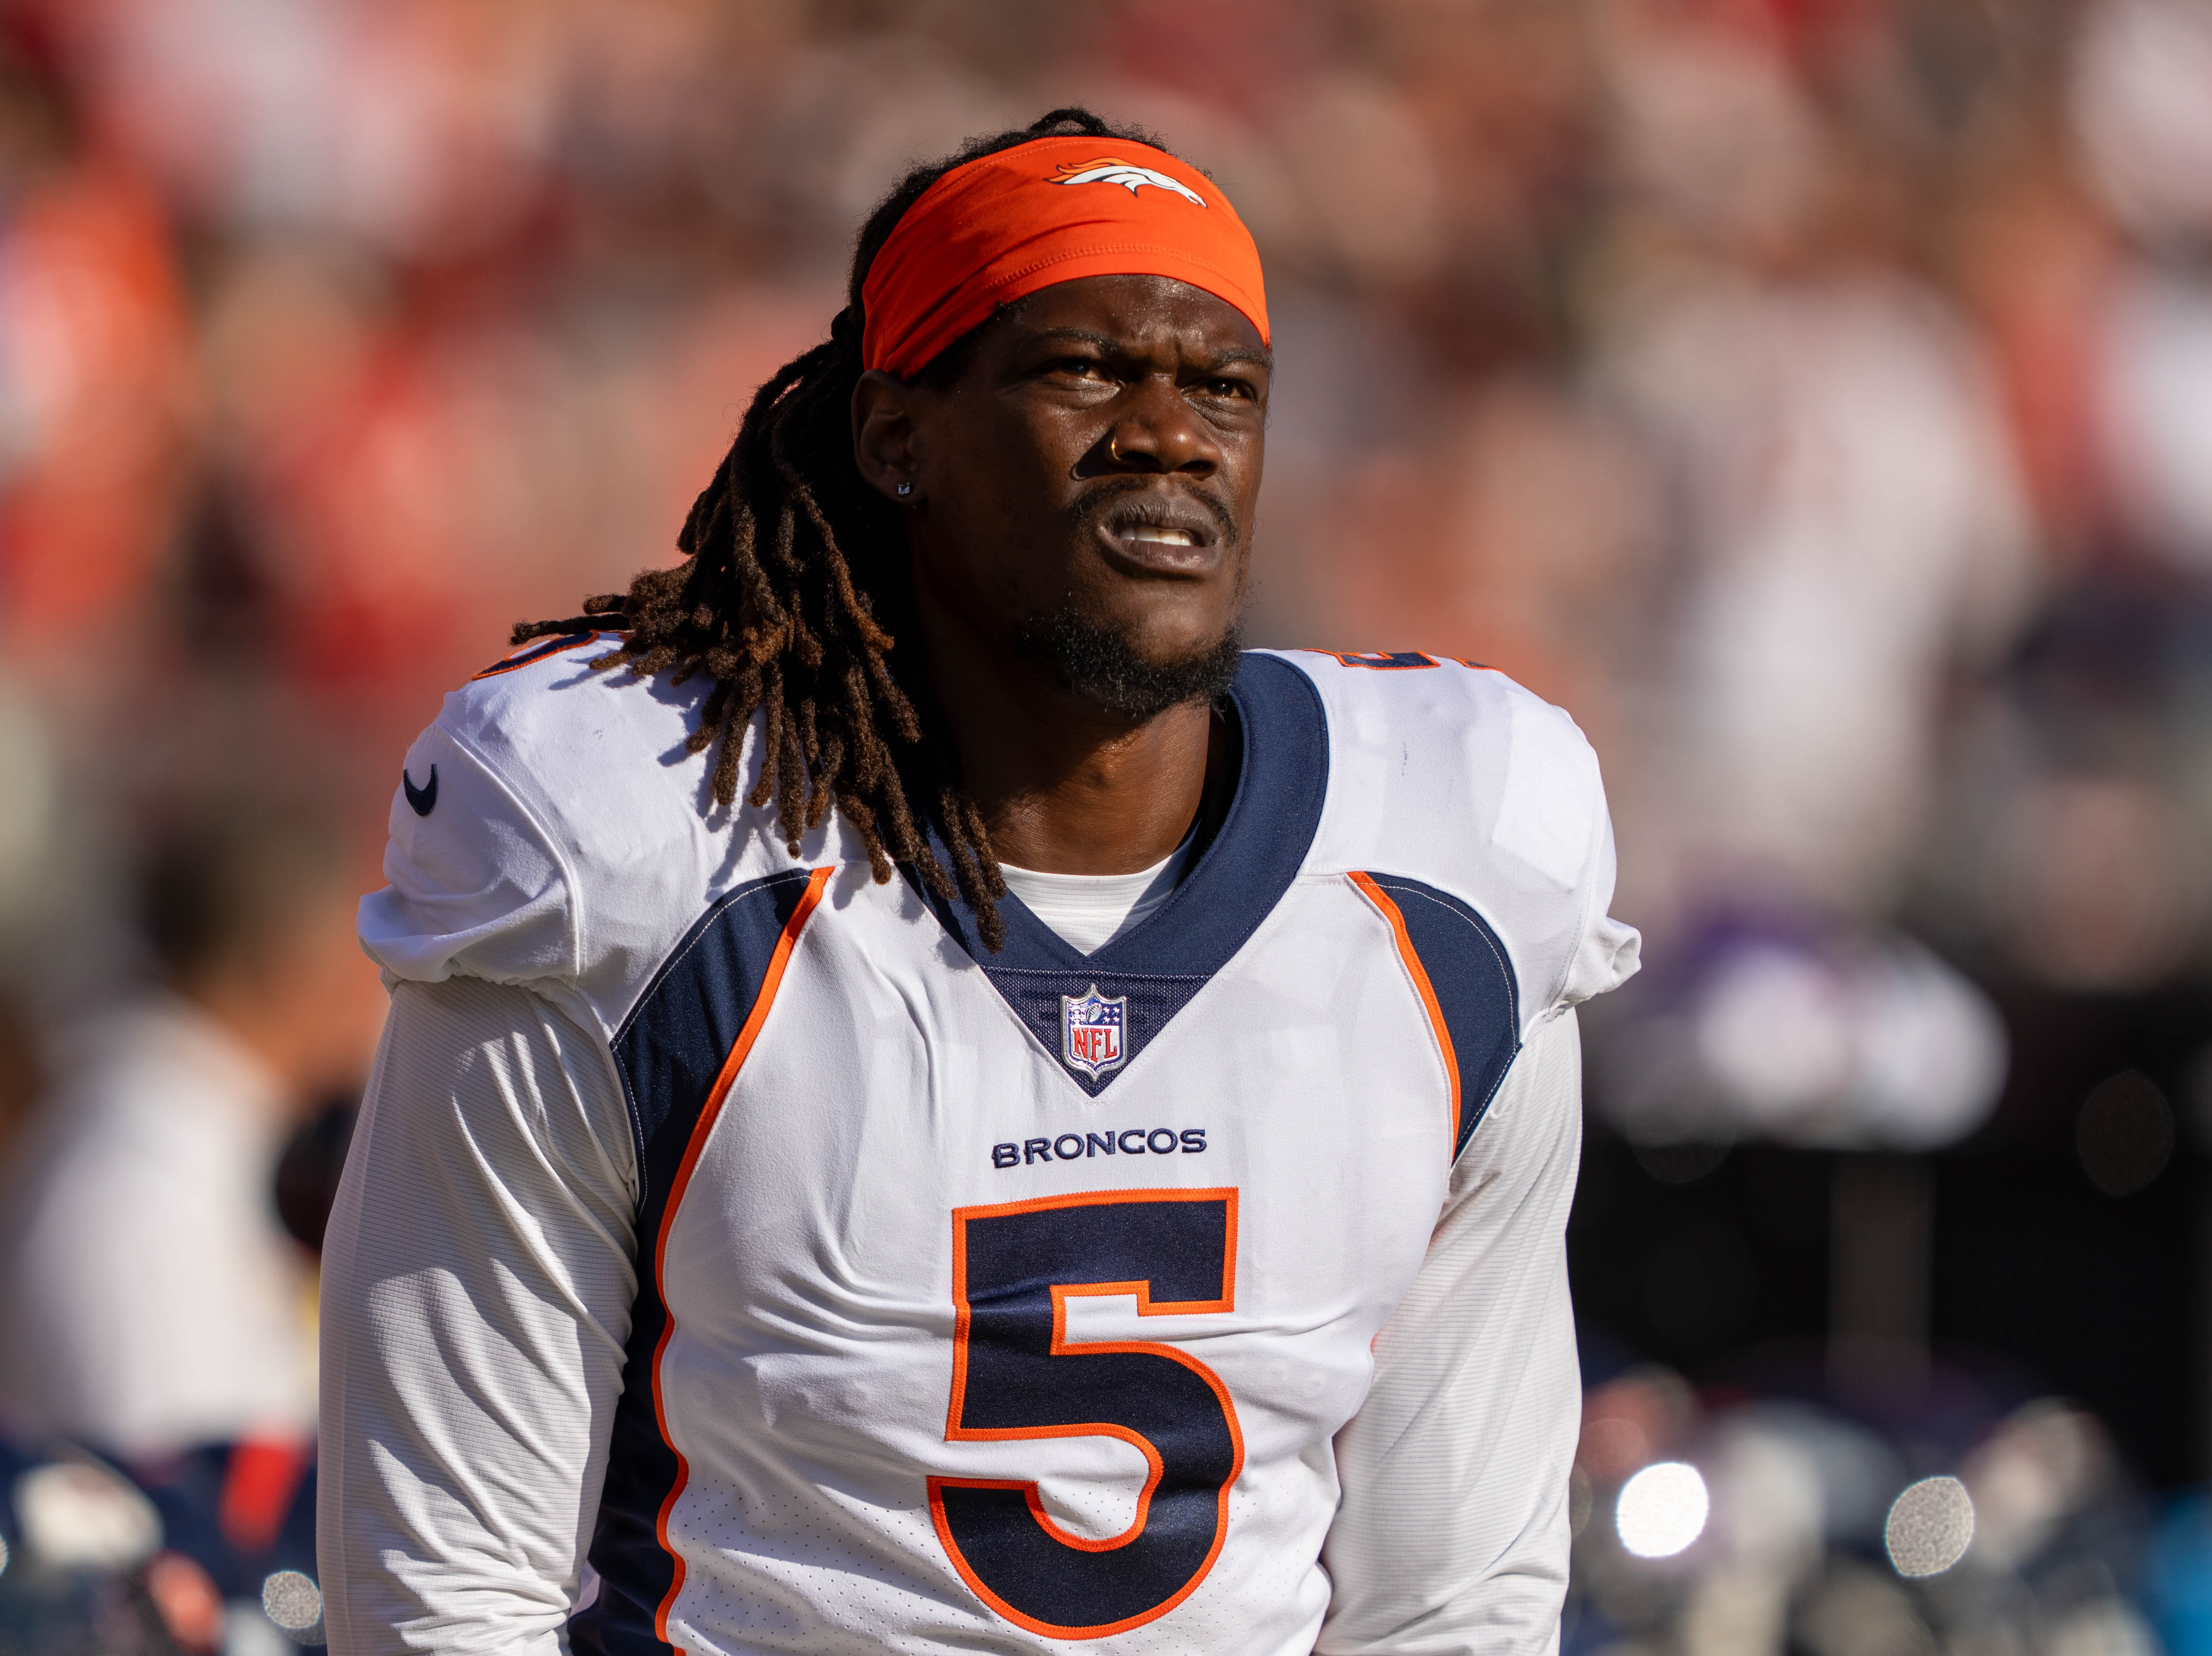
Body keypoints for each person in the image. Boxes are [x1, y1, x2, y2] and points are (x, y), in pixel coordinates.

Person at [319, 109, 1640, 1655]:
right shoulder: (646, 842)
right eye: (1085, 369)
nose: (1170, 431)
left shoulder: (1459, 860)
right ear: (898, 437)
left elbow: (1456, 1603)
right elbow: (447, 1592)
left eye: (1224, 384)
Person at [0, 807, 378, 1459]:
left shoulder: (213, 1147)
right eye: (375, 951)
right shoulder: (139, 1185)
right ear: (295, 968)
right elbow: (185, 1492)